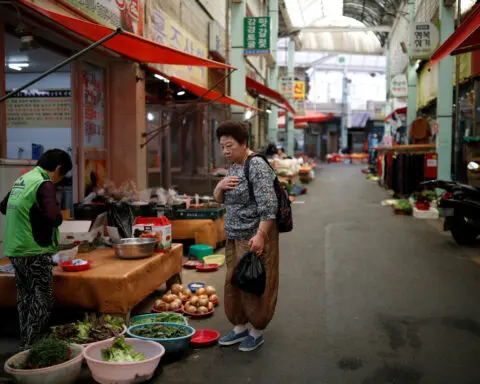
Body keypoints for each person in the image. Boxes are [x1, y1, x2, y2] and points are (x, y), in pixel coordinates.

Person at [213, 121, 279, 352]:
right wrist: (220, 186)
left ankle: (257, 331)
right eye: (222, 146)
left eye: (229, 145)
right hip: (233, 235)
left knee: (254, 284)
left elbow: (269, 205)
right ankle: (239, 327)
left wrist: (261, 235)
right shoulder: (233, 165)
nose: (225, 151)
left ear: (244, 143)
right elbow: (221, 198)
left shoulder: (257, 166)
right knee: (234, 282)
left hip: (253, 238)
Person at [0, 149, 72, 349]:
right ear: (58, 169)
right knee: (41, 297)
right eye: (61, 175)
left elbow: (3, 207)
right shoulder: (43, 183)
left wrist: (33, 212)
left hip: (15, 249)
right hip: (33, 250)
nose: (58, 181)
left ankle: (25, 342)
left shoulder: (23, 180)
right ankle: (33, 346)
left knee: (25, 297)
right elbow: (55, 218)